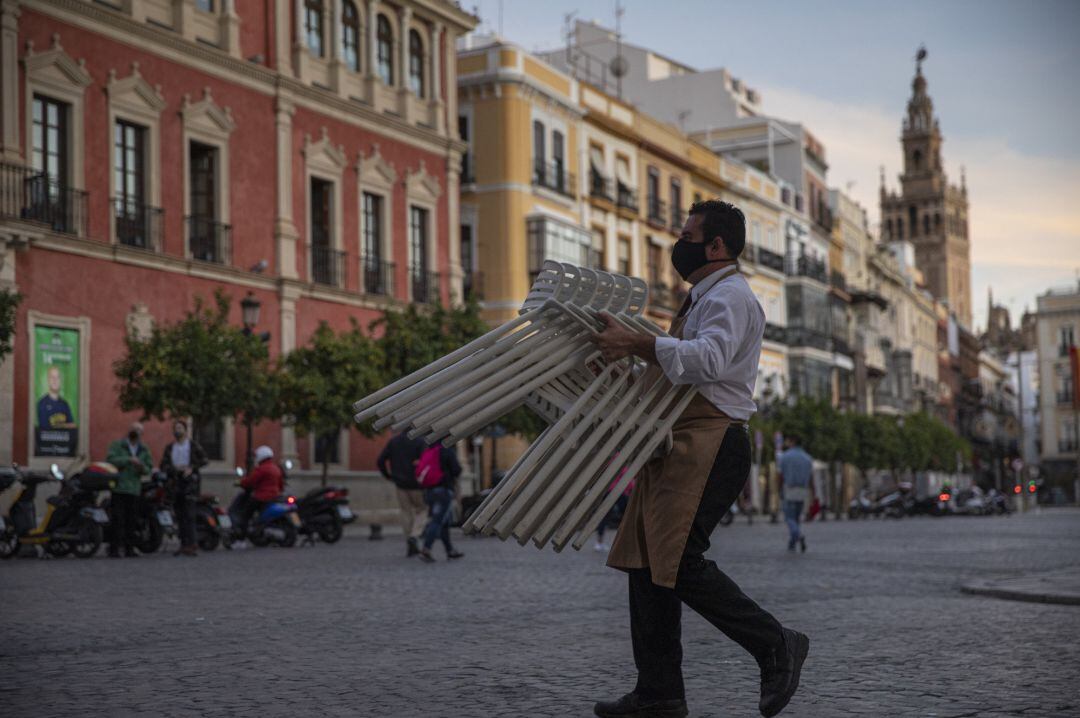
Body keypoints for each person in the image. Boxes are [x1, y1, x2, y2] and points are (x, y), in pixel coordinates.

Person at [593, 200, 808, 718]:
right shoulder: (703, 298)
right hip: (681, 439)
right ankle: (659, 693)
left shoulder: (731, 297)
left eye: (688, 234)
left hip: (712, 440)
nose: (679, 242)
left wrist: (640, 344)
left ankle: (775, 643)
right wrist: (630, 359)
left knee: (680, 560)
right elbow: (678, 363)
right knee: (646, 564)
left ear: (716, 246)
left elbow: (707, 361)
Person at [160, 419, 207, 557]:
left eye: (180, 428)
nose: (178, 430)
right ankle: (183, 544)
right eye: (176, 428)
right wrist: (173, 470)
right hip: (175, 482)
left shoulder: (192, 446)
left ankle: (192, 544)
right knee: (179, 514)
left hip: (190, 483)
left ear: (185, 430)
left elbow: (204, 459)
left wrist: (192, 468)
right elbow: (163, 464)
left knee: (190, 515)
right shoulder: (170, 447)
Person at [106, 422, 153, 558]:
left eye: (139, 430)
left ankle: (129, 548)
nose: (136, 431)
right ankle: (114, 548)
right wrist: (128, 460)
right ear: (129, 430)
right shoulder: (118, 445)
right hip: (119, 487)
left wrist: (141, 467)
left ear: (141, 434)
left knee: (131, 520)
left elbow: (149, 468)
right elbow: (110, 460)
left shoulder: (144, 449)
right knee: (117, 519)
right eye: (134, 429)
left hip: (134, 488)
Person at [377, 431, 427, 557]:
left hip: (400, 483)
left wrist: (388, 476)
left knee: (405, 512)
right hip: (417, 484)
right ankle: (415, 536)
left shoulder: (394, 441)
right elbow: (425, 461)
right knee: (422, 510)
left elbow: (380, 460)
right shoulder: (420, 441)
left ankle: (409, 539)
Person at [416, 444, 464, 563]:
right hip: (443, 491)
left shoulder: (429, 450)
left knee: (444, 521)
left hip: (430, 491)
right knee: (437, 521)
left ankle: (450, 550)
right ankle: (426, 550)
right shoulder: (447, 450)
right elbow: (456, 470)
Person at [233, 445, 284, 542]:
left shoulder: (261, 469)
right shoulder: (276, 468)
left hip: (261, 497)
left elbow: (250, 481)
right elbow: (281, 485)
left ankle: (241, 537)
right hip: (275, 496)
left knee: (245, 515)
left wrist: (240, 482)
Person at [778, 436, 814, 553]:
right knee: (796, 518)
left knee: (789, 517)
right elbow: (811, 478)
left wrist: (779, 489)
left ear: (793, 442)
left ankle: (799, 536)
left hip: (790, 489)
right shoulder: (808, 458)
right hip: (803, 490)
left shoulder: (785, 456)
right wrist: (813, 493)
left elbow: (780, 475)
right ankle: (792, 543)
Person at [37, 366, 76, 430]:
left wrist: (56, 425)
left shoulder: (65, 404)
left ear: (60, 381)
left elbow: (72, 426)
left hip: (64, 439)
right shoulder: (42, 403)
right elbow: (45, 428)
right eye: (52, 377)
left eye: (57, 377)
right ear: (48, 380)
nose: (55, 380)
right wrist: (65, 426)